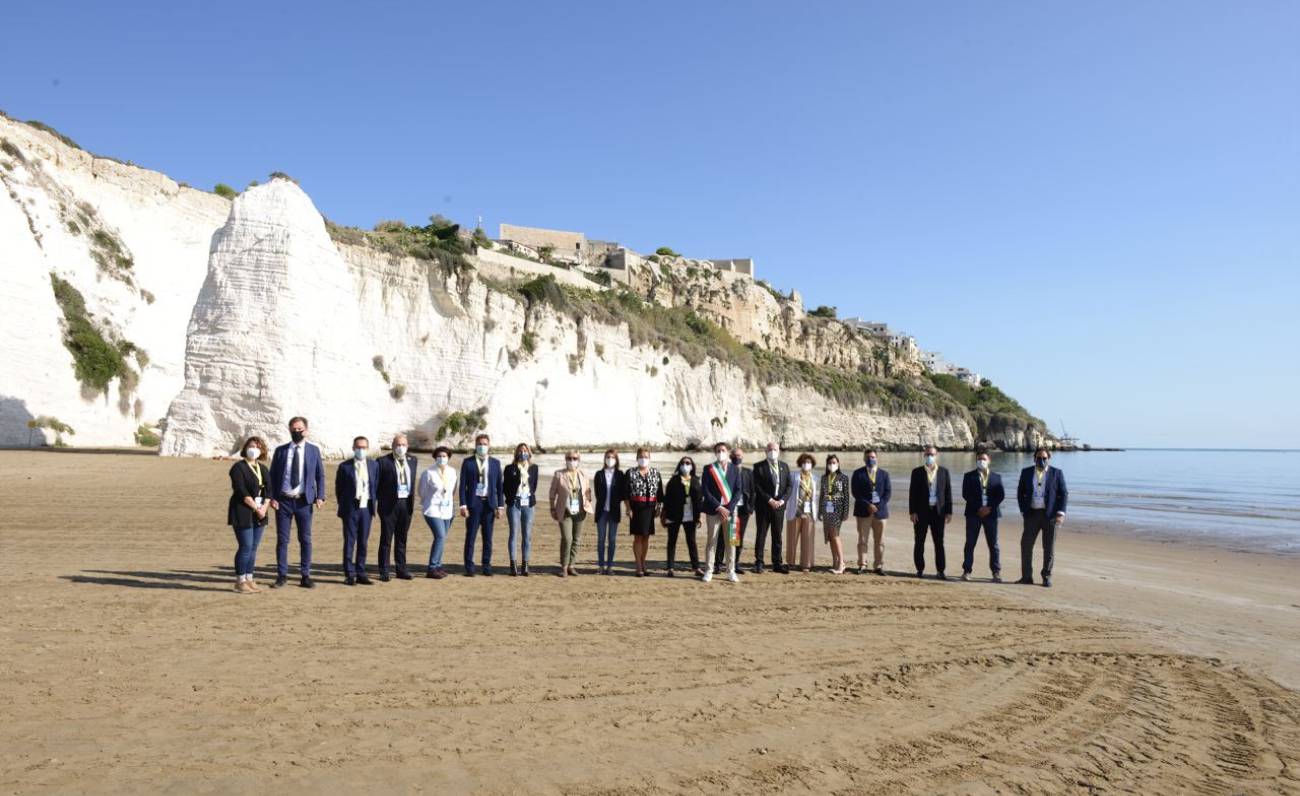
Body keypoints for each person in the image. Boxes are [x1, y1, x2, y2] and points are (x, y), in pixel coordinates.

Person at [268, 416, 326, 589]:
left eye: (300, 429)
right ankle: (282, 575)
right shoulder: (281, 451)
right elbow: (272, 476)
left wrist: (320, 496)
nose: (297, 432)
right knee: (282, 540)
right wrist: (272, 497)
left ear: (306, 430)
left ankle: (305, 575)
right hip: (283, 501)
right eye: (293, 429)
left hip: (304, 502)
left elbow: (319, 475)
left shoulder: (313, 451)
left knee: (305, 539)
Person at [1016, 447, 1068, 588]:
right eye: (1039, 458)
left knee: (1049, 548)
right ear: (1034, 458)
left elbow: (1063, 494)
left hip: (1050, 516)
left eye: (1044, 458)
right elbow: (1020, 493)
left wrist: (1061, 513)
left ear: (1048, 459)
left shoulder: (1056, 473)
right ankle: (1026, 577)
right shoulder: (1026, 472)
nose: (1041, 460)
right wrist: (1023, 511)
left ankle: (1046, 577)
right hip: (1031, 514)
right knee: (1026, 546)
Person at [227, 435, 271, 593]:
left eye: (258, 447)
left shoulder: (263, 468)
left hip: (260, 512)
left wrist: (264, 508)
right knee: (245, 546)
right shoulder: (238, 468)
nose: (254, 449)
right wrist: (256, 508)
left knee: (253, 547)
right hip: (243, 510)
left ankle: (249, 578)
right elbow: (241, 491)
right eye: (252, 446)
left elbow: (269, 491)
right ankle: (240, 581)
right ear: (245, 448)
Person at [335, 436, 379, 586]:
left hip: (366, 507)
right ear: (353, 448)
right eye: (358, 447)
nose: (361, 450)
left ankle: (361, 572)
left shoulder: (374, 465)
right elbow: (339, 489)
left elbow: (376, 485)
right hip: (351, 508)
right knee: (349, 541)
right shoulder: (344, 466)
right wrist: (345, 505)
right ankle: (349, 573)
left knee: (363, 542)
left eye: (364, 447)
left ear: (367, 449)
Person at [458, 433, 504, 576]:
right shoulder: (468, 462)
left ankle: (486, 565)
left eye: (485, 444)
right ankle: (469, 567)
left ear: (489, 446)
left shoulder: (495, 463)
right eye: (480, 444)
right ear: (475, 445)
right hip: (473, 503)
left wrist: (500, 506)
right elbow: (462, 486)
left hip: (489, 505)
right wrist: (463, 505)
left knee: (488, 537)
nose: (482, 447)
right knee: (471, 536)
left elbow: (499, 486)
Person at [375, 433, 418, 581]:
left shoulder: (413, 460)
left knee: (402, 538)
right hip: (389, 505)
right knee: (386, 539)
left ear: (407, 446)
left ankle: (401, 569)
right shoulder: (382, 461)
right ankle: (384, 570)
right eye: (398, 445)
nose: (401, 447)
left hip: (406, 504)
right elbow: (376, 485)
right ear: (393, 446)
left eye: (403, 445)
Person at [908, 445, 953, 579]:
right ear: (924, 456)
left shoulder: (944, 472)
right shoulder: (917, 472)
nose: (930, 457)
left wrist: (949, 512)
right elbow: (912, 494)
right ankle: (920, 569)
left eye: (932, 454)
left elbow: (948, 493)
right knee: (919, 541)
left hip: (938, 512)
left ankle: (940, 570)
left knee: (939, 542)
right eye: (927, 454)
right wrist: (912, 512)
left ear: (937, 455)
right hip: (921, 512)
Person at [701, 442, 743, 583]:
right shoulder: (709, 469)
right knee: (711, 541)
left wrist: (729, 508)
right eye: (718, 450)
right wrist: (719, 507)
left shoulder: (735, 469)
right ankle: (709, 570)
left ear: (728, 451)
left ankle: (731, 571)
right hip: (713, 511)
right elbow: (705, 491)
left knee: (731, 542)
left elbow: (738, 491)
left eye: (723, 450)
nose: (721, 452)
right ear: (715, 453)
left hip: (731, 512)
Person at [961, 449, 1005, 581]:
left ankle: (996, 572)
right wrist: (979, 508)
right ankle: (967, 571)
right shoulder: (969, 476)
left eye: (984, 459)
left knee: (994, 544)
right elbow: (966, 494)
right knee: (970, 543)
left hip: (991, 514)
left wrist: (989, 507)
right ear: (976, 461)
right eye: (979, 459)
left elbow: (1000, 495)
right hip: (973, 514)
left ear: (989, 461)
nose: (981, 461)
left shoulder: (996, 477)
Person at [548, 451, 593, 577]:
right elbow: (552, 493)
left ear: (579, 459)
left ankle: (571, 565)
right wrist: (552, 508)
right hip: (565, 511)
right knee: (567, 539)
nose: (572, 460)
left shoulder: (583, 474)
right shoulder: (559, 474)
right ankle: (564, 566)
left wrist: (588, 503)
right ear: (565, 459)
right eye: (569, 458)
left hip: (580, 511)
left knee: (577, 539)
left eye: (574, 458)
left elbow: (588, 491)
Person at [752, 442, 791, 573]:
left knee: (777, 535)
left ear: (779, 451)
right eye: (769, 449)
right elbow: (757, 486)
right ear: (765, 451)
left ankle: (777, 563)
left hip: (779, 507)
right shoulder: (758, 467)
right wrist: (769, 500)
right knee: (761, 534)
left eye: (774, 449)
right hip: (764, 506)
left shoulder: (784, 467)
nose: (772, 451)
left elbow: (789, 486)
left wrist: (782, 500)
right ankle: (759, 562)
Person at [418, 446, 457, 579]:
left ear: (448, 458)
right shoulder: (428, 472)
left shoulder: (452, 472)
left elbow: (452, 490)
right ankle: (432, 567)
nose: (442, 458)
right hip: (432, 509)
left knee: (443, 538)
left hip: (447, 509)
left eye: (444, 456)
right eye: (439, 456)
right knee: (440, 536)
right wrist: (429, 501)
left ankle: (439, 565)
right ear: (435, 457)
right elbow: (422, 492)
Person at [714, 446, 754, 575]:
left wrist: (751, 507)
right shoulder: (727, 470)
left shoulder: (748, 472)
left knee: (737, 537)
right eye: (735, 455)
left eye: (739, 456)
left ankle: (734, 563)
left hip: (743, 509)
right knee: (722, 536)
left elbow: (753, 492)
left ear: (743, 457)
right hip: (728, 508)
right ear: (730, 457)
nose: (737, 458)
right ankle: (718, 564)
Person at [851, 449, 892, 575]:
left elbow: (887, 492)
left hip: (880, 513)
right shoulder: (858, 473)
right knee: (863, 540)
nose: (871, 459)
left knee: (880, 541)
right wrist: (868, 504)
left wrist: (878, 506)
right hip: (863, 511)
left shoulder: (884, 474)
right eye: (868, 457)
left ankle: (878, 566)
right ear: (864, 459)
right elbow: (855, 492)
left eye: (873, 457)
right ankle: (862, 565)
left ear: (877, 458)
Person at [624, 448, 663, 577]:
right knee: (638, 537)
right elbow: (626, 493)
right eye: (641, 456)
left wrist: (659, 507)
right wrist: (628, 508)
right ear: (636, 458)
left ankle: (643, 562)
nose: (643, 459)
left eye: (646, 456)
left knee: (646, 537)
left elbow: (660, 493)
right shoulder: (630, 473)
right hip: (636, 508)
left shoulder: (655, 473)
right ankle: (638, 566)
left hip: (650, 508)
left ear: (650, 458)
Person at [661, 456, 703, 576]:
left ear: (692, 466)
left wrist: (700, 515)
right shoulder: (673, 481)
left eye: (688, 463)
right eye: (683, 463)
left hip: (690, 515)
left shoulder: (695, 480)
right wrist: (664, 515)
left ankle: (696, 567)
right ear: (679, 465)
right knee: (672, 541)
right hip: (674, 514)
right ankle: (670, 568)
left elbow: (700, 500)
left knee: (691, 541)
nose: (685, 465)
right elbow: (667, 499)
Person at [502, 443, 539, 576]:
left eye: (525, 450)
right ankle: (513, 564)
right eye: (520, 451)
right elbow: (505, 487)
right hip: (514, 504)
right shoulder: (509, 468)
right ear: (516, 453)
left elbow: (534, 485)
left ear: (529, 453)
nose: (523, 453)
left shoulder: (534, 468)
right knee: (514, 534)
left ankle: (525, 564)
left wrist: (529, 496)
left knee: (527, 535)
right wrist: (510, 498)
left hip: (528, 503)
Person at [593, 449, 628, 575]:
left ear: (616, 459)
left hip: (614, 511)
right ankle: (601, 566)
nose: (610, 459)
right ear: (604, 458)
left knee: (612, 540)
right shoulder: (599, 474)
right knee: (601, 539)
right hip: (602, 511)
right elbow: (597, 493)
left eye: (612, 457)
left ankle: (610, 567)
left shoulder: (620, 475)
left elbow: (623, 493)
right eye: (608, 457)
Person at [785, 453, 820, 572]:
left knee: (808, 539)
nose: (806, 464)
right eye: (804, 462)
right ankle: (790, 562)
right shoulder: (793, 475)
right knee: (792, 538)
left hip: (809, 512)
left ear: (812, 465)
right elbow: (788, 491)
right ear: (800, 463)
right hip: (795, 511)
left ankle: (806, 563)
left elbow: (816, 497)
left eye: (809, 462)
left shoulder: (815, 478)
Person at [820, 454, 851, 573]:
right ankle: (835, 562)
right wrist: (819, 511)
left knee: (835, 535)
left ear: (838, 464)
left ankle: (841, 563)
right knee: (830, 537)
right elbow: (822, 495)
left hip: (837, 511)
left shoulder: (843, 478)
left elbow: (846, 497)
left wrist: (846, 512)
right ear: (827, 465)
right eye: (830, 463)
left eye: (834, 463)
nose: (832, 465)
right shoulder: (824, 478)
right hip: (827, 510)